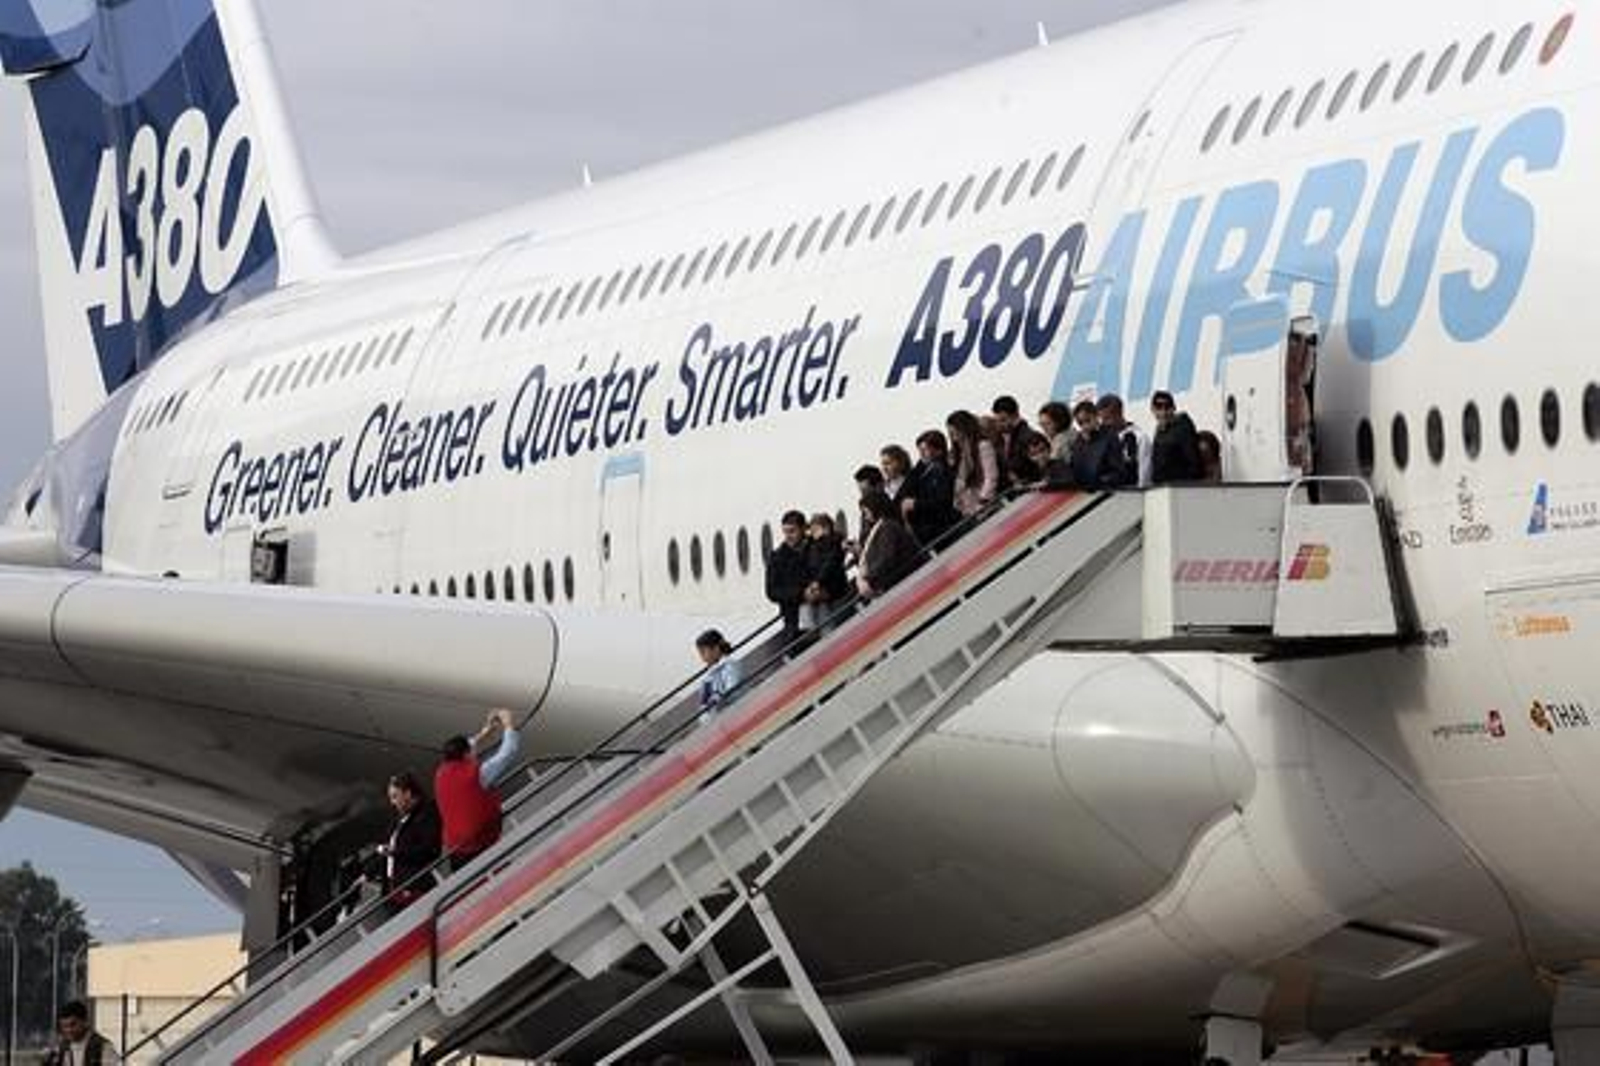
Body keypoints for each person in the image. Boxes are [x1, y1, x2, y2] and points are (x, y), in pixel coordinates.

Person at [434, 708, 521, 870]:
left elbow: (468, 747)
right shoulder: (477, 775)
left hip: (455, 847)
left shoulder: (441, 772)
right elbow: (507, 753)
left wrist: (485, 732)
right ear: (466, 755)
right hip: (481, 843)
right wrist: (509, 724)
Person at [378, 771, 441, 905]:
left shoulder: (425, 815)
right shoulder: (399, 818)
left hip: (414, 889)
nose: (392, 802)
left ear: (408, 793)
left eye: (395, 797)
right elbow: (388, 843)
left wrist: (395, 852)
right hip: (394, 892)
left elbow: (429, 851)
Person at [856, 491, 924, 599]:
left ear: (874, 507)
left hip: (906, 582)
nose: (865, 517)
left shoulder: (887, 527)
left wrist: (868, 577)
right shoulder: (884, 527)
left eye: (866, 512)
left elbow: (886, 557)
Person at [903, 430, 959, 547]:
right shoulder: (924, 472)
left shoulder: (943, 470)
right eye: (920, 451)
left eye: (925, 450)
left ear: (938, 450)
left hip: (944, 528)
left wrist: (916, 504)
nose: (921, 455)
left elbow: (943, 501)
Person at [946, 409, 1001, 519]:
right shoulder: (960, 453)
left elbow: (991, 477)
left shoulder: (982, 446)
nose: (951, 434)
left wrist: (983, 502)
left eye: (954, 429)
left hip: (984, 506)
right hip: (969, 508)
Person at [800, 512, 850, 631]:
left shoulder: (833, 542)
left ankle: (822, 635)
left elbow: (830, 563)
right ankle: (814, 632)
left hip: (831, 587)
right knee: (814, 610)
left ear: (825, 528)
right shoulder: (810, 544)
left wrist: (818, 581)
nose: (812, 532)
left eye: (815, 528)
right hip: (818, 587)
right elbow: (805, 565)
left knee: (826, 617)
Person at [765, 509, 809, 639]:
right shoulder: (777, 557)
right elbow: (772, 591)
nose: (788, 536)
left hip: (821, 609)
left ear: (803, 529)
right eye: (785, 532)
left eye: (792, 531)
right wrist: (801, 593)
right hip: (794, 621)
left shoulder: (815, 549)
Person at [1148, 390, 1203, 484]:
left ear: (1174, 408)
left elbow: (1194, 464)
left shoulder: (1182, 428)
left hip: (1180, 489)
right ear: (1153, 409)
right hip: (1162, 489)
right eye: (1159, 407)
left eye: (1167, 407)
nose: (1163, 412)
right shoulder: (1160, 431)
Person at [1096, 394, 1149, 488]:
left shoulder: (1139, 437)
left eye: (1107, 419)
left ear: (1119, 414)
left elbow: (1144, 470)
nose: (1104, 423)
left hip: (1131, 493)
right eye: (1102, 419)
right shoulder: (1101, 438)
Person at [990, 395, 1045, 487]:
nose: (999, 425)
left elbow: (1041, 468)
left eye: (1003, 420)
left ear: (1015, 415)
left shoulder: (1030, 437)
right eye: (997, 420)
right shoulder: (1001, 439)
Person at [44, 1001, 119, 1066]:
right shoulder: (60, 1049)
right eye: (64, 1026)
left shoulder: (103, 1047)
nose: (68, 1030)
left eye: (73, 1025)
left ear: (85, 1022)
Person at [695, 629, 742, 711]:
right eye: (700, 653)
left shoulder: (731, 665)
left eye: (703, 652)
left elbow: (733, 690)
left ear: (716, 649)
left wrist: (716, 698)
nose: (702, 657)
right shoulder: (708, 677)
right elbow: (704, 703)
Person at [879, 444, 915, 512]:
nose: (884, 468)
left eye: (888, 463)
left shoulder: (912, 485)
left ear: (900, 463)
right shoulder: (881, 487)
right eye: (883, 464)